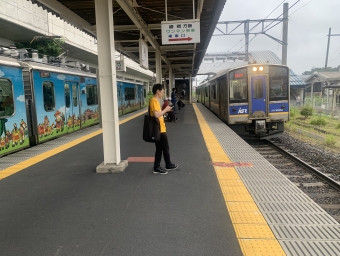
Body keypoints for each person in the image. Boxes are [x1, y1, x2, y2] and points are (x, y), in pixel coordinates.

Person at [150, 84, 178, 174]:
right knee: (164, 147)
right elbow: (156, 115)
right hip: (159, 129)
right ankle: (166, 165)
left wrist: (165, 112)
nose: (163, 93)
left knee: (160, 148)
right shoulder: (154, 101)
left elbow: (159, 114)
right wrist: (166, 110)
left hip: (160, 128)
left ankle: (158, 166)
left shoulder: (156, 101)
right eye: (162, 91)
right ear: (158, 91)